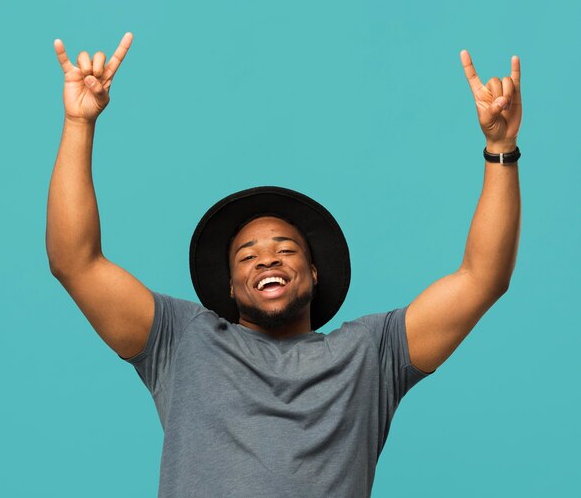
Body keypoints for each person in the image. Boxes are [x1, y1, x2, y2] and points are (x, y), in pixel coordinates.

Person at [47, 32, 522, 497]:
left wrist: (500, 149)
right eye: (247, 256)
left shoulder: (372, 353)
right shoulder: (182, 339)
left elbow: (482, 279)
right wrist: (78, 124)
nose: (266, 259)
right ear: (231, 287)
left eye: (285, 249)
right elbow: (75, 262)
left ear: (314, 272)